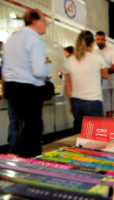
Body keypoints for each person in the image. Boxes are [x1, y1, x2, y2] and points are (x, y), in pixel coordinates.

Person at [2, 9, 51, 157]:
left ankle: (14, 155)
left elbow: (5, 67)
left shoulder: (12, 38)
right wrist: (47, 64)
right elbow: (39, 71)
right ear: (34, 22)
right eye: (44, 21)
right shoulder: (35, 40)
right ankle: (31, 160)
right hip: (29, 89)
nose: (46, 25)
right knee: (32, 128)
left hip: (11, 87)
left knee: (16, 123)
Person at [64, 30, 108, 133]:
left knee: (82, 134)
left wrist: (71, 104)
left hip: (76, 102)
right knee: (95, 135)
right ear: (92, 44)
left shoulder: (69, 60)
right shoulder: (97, 58)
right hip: (93, 101)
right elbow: (105, 75)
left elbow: (68, 86)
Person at [95, 31, 114, 117]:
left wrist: (101, 71)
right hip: (95, 86)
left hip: (108, 85)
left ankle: (108, 127)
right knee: (97, 109)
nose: (100, 41)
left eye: (102, 39)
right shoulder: (94, 52)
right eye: (98, 39)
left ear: (105, 39)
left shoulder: (111, 50)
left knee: (109, 108)